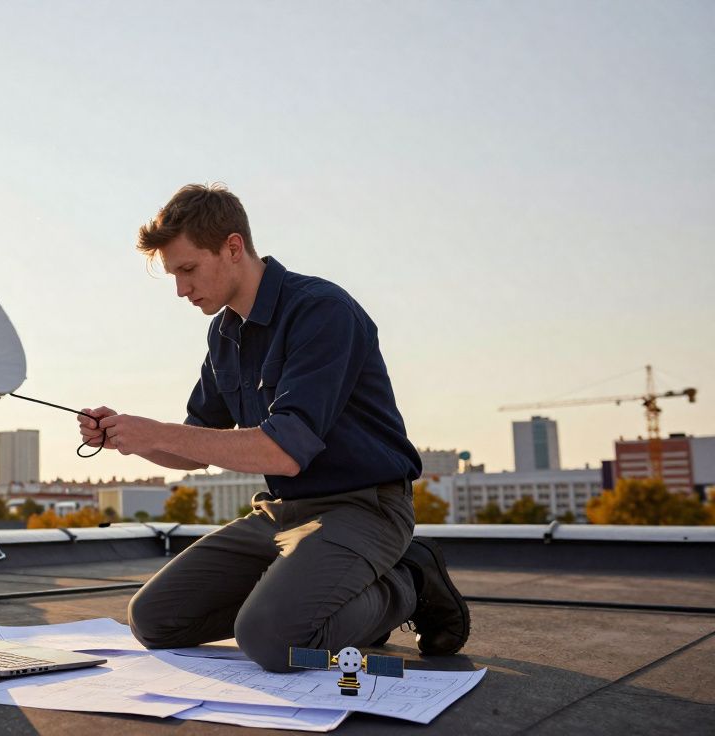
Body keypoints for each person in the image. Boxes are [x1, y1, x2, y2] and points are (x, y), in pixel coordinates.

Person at [77, 183, 469, 671]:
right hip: (285, 513)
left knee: (271, 642)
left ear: (233, 247)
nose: (181, 289)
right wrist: (125, 438)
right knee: (155, 620)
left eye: (188, 269)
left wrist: (154, 432)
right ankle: (318, 593)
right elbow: (196, 448)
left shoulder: (321, 310)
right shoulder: (224, 334)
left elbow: (284, 451)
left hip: (365, 508)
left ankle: (408, 581)